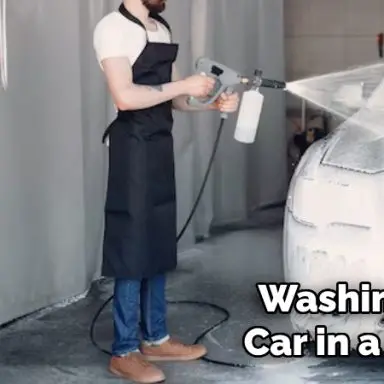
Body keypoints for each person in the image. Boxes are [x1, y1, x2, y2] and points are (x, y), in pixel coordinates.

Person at [93, 0, 239, 382]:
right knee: (132, 242)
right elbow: (125, 96)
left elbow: (174, 99)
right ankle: (124, 350)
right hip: (132, 147)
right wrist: (185, 84)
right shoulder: (112, 29)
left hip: (158, 143)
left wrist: (208, 102)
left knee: (157, 239)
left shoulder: (161, 28)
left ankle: (155, 338)